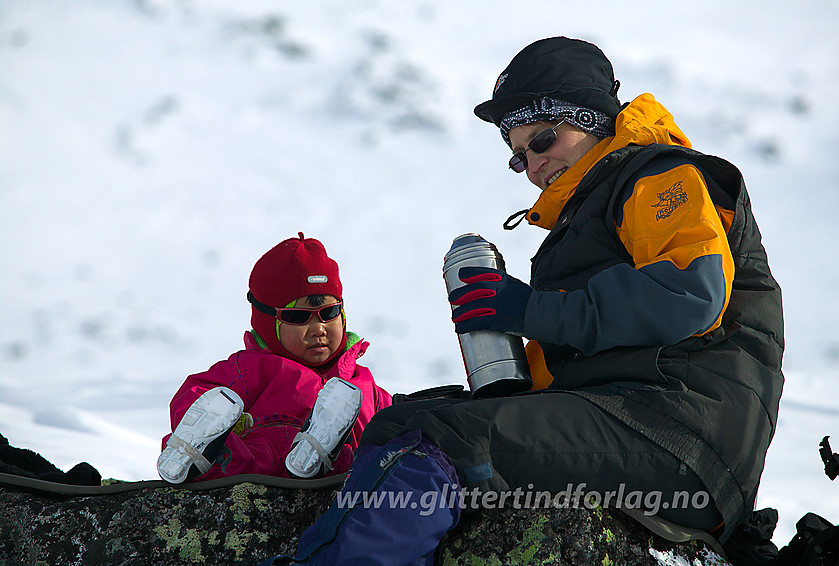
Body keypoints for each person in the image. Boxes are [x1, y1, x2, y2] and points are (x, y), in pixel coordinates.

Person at [260, 37, 784, 565]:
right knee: (402, 421)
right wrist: (505, 384)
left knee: (438, 438)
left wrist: (529, 310)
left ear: (589, 118)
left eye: (543, 139)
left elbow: (688, 296)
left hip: (678, 433)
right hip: (641, 423)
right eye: (518, 157)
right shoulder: (591, 212)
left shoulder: (659, 178)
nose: (532, 164)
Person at [156, 233, 392, 483]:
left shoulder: (362, 384)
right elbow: (197, 392)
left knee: (369, 453)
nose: (318, 329)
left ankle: (317, 453)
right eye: (299, 317)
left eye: (329, 313)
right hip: (259, 471)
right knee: (244, 455)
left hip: (346, 473)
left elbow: (395, 421)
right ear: (269, 324)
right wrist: (219, 423)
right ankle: (197, 454)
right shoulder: (252, 368)